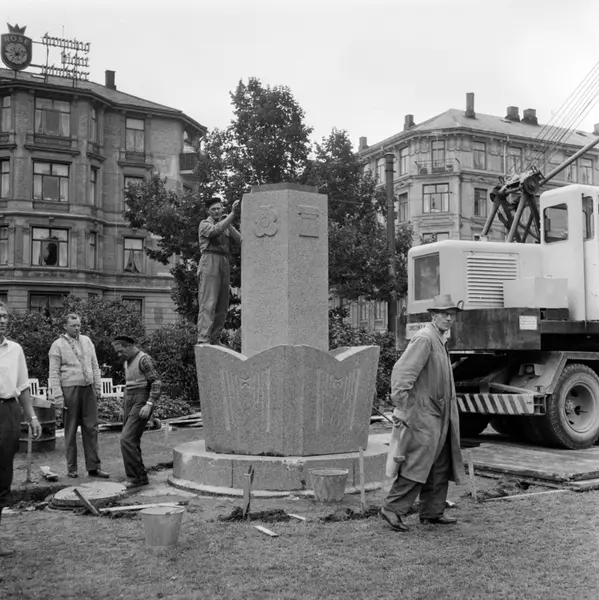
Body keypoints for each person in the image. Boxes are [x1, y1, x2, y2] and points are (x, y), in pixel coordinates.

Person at [379, 293, 464, 532]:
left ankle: (432, 512)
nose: (449, 318)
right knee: (418, 462)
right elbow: (403, 373)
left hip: (439, 413)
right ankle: (392, 508)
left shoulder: (439, 339)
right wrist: (401, 406)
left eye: (452, 314)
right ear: (433, 315)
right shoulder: (425, 338)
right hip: (423, 413)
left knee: (440, 463)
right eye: (444, 314)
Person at [0, 301, 42, 557]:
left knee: (4, 473)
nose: (2, 320)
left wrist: (32, 417)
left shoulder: (15, 350)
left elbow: (23, 386)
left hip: (7, 412)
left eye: (5, 316)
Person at [48, 313, 109, 479]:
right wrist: (58, 396)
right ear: (65, 327)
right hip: (70, 391)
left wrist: (97, 386)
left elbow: (94, 364)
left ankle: (94, 468)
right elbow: (53, 373)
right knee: (71, 430)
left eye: (79, 325)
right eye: (73, 325)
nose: (77, 328)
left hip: (88, 389)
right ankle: (72, 468)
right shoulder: (57, 345)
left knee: (92, 428)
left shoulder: (87, 341)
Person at [112, 335, 162, 489]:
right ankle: (139, 476)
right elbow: (130, 385)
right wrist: (124, 405)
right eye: (117, 352)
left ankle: (135, 477)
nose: (119, 354)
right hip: (130, 400)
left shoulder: (144, 359)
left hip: (141, 399)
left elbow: (156, 382)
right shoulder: (127, 362)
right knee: (131, 440)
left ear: (128, 346)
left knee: (126, 439)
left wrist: (149, 404)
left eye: (121, 351)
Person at [197, 197, 241, 345]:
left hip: (224, 261)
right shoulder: (204, 224)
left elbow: (240, 239)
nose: (216, 211)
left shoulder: (225, 223)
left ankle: (215, 338)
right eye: (213, 209)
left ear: (222, 209)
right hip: (210, 260)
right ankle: (203, 337)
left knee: (223, 303)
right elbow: (215, 230)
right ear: (208, 211)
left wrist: (230, 222)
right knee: (208, 301)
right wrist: (232, 214)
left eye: (219, 208)